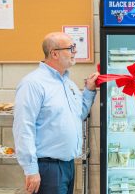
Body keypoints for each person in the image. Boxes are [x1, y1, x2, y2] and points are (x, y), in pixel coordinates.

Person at [13, 32, 99, 194]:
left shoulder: (69, 83)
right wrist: (31, 170)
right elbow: (23, 128)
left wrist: (89, 90)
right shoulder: (33, 84)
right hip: (47, 167)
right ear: (54, 53)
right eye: (71, 48)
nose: (75, 52)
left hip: (68, 165)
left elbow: (79, 114)